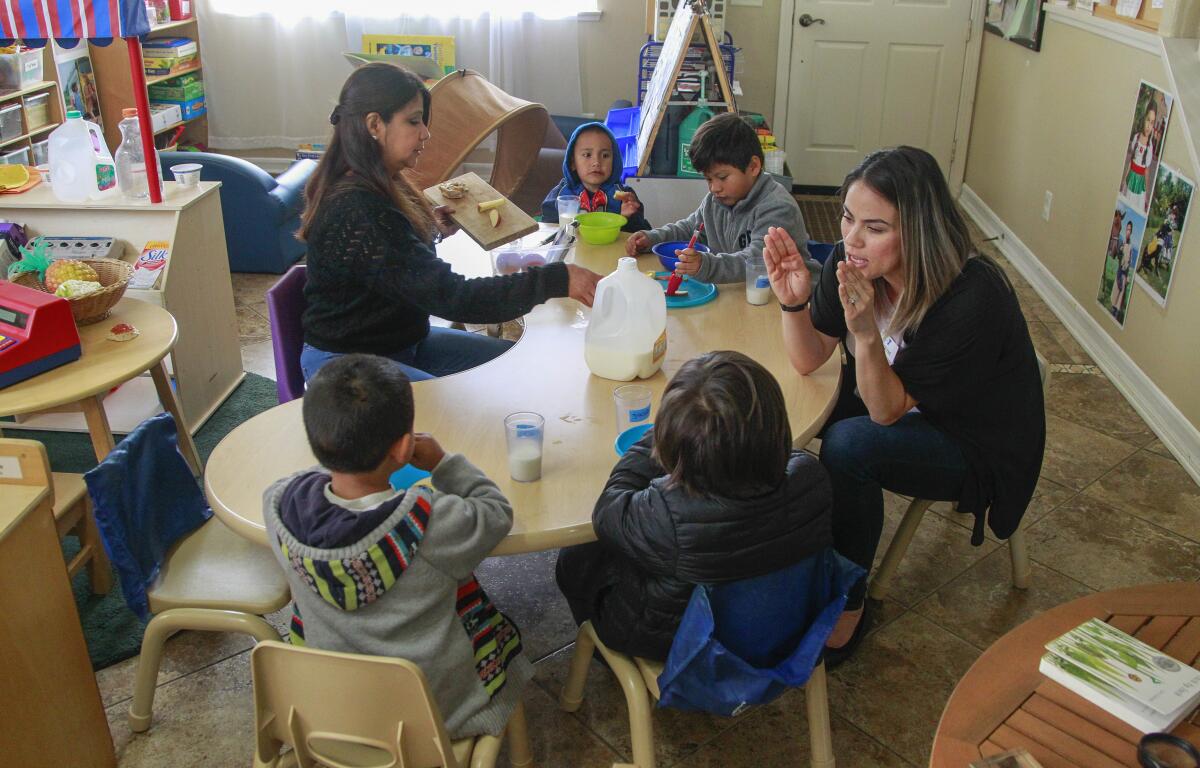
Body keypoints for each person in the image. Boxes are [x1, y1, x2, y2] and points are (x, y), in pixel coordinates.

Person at [762, 146, 1045, 666]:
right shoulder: (852, 264)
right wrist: (794, 301)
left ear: (917, 230)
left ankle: (848, 609)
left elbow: (886, 412)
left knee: (848, 446)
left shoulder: (970, 297)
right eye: (849, 217)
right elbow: (807, 359)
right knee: (787, 409)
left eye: (875, 227)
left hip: (977, 439)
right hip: (904, 399)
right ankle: (795, 561)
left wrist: (866, 331)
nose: (851, 238)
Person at [263, 354, 531, 739]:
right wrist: (442, 462)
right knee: (496, 632)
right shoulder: (429, 522)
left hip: (330, 711)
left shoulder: (277, 506)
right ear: (404, 448)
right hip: (431, 715)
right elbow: (495, 511)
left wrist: (341, 452)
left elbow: (308, 480)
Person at [298, 62, 602, 382]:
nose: (425, 133)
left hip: (403, 343)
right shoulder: (356, 206)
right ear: (374, 124)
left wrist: (429, 228)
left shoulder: (382, 182)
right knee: (456, 420)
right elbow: (455, 298)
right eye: (413, 121)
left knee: (518, 370)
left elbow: (390, 260)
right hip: (347, 363)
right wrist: (558, 278)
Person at [554, 350, 833, 661]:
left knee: (576, 557)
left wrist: (655, 436)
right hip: (780, 628)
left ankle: (601, 655)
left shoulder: (667, 514)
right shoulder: (812, 478)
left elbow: (607, 511)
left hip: (678, 644)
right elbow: (783, 463)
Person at [625, 112, 814, 284]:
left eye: (722, 177)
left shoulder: (777, 207)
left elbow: (757, 261)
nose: (714, 187)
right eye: (708, 178)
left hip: (786, 302)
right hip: (741, 293)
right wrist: (652, 238)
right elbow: (690, 229)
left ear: (753, 166)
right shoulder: (716, 200)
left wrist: (706, 266)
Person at [540, 122, 650, 231]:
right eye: (587, 155)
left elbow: (642, 235)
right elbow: (547, 228)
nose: (596, 162)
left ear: (615, 161)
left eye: (605, 155)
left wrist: (630, 218)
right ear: (572, 163)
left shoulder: (624, 196)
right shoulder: (560, 194)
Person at [1122, 103, 1157, 211]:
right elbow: (1131, 162)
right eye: (1147, 120)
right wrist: (1124, 179)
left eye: (1152, 123)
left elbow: (1146, 171)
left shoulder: (1150, 146)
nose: (1148, 126)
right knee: (1124, 204)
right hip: (1131, 178)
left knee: (1134, 206)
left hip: (1140, 182)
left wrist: (1146, 193)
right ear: (1144, 119)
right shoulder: (1136, 137)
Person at [1110, 220, 1134, 316]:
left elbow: (1130, 260)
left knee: (1122, 290)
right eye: (1127, 229)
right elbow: (1116, 256)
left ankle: (1116, 311)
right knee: (1116, 288)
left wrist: (1127, 271)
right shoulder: (1121, 242)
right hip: (1120, 271)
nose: (1128, 231)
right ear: (1125, 230)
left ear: (1131, 232)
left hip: (1125, 272)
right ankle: (1112, 308)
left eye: (1130, 230)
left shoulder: (1131, 246)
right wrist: (1120, 250)